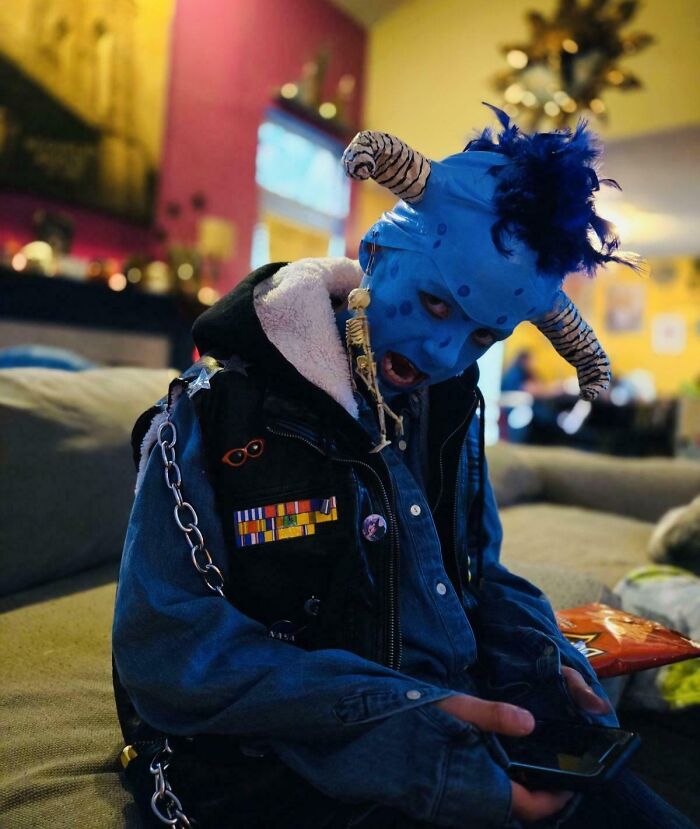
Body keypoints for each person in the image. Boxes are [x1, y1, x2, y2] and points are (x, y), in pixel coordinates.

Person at [112, 106, 697, 828]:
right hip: (294, 772)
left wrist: (543, 656)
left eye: (481, 333)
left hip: (468, 731)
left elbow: (476, 574)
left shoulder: (447, 406)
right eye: (431, 303)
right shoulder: (205, 419)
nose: (447, 356)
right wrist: (416, 721)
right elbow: (170, 653)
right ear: (378, 253)